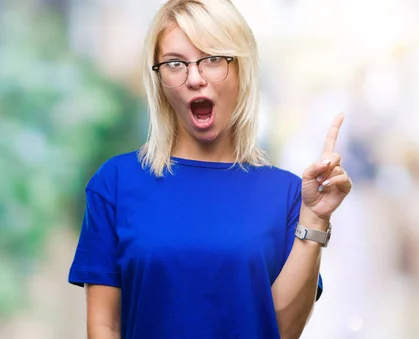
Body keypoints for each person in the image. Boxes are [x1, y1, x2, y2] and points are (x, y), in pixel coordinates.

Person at [67, 0, 352, 338]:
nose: (194, 78)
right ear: (158, 78)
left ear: (240, 69)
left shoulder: (290, 195)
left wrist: (316, 218)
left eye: (213, 59)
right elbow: (104, 325)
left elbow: (280, 330)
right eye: (175, 63)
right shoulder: (114, 183)